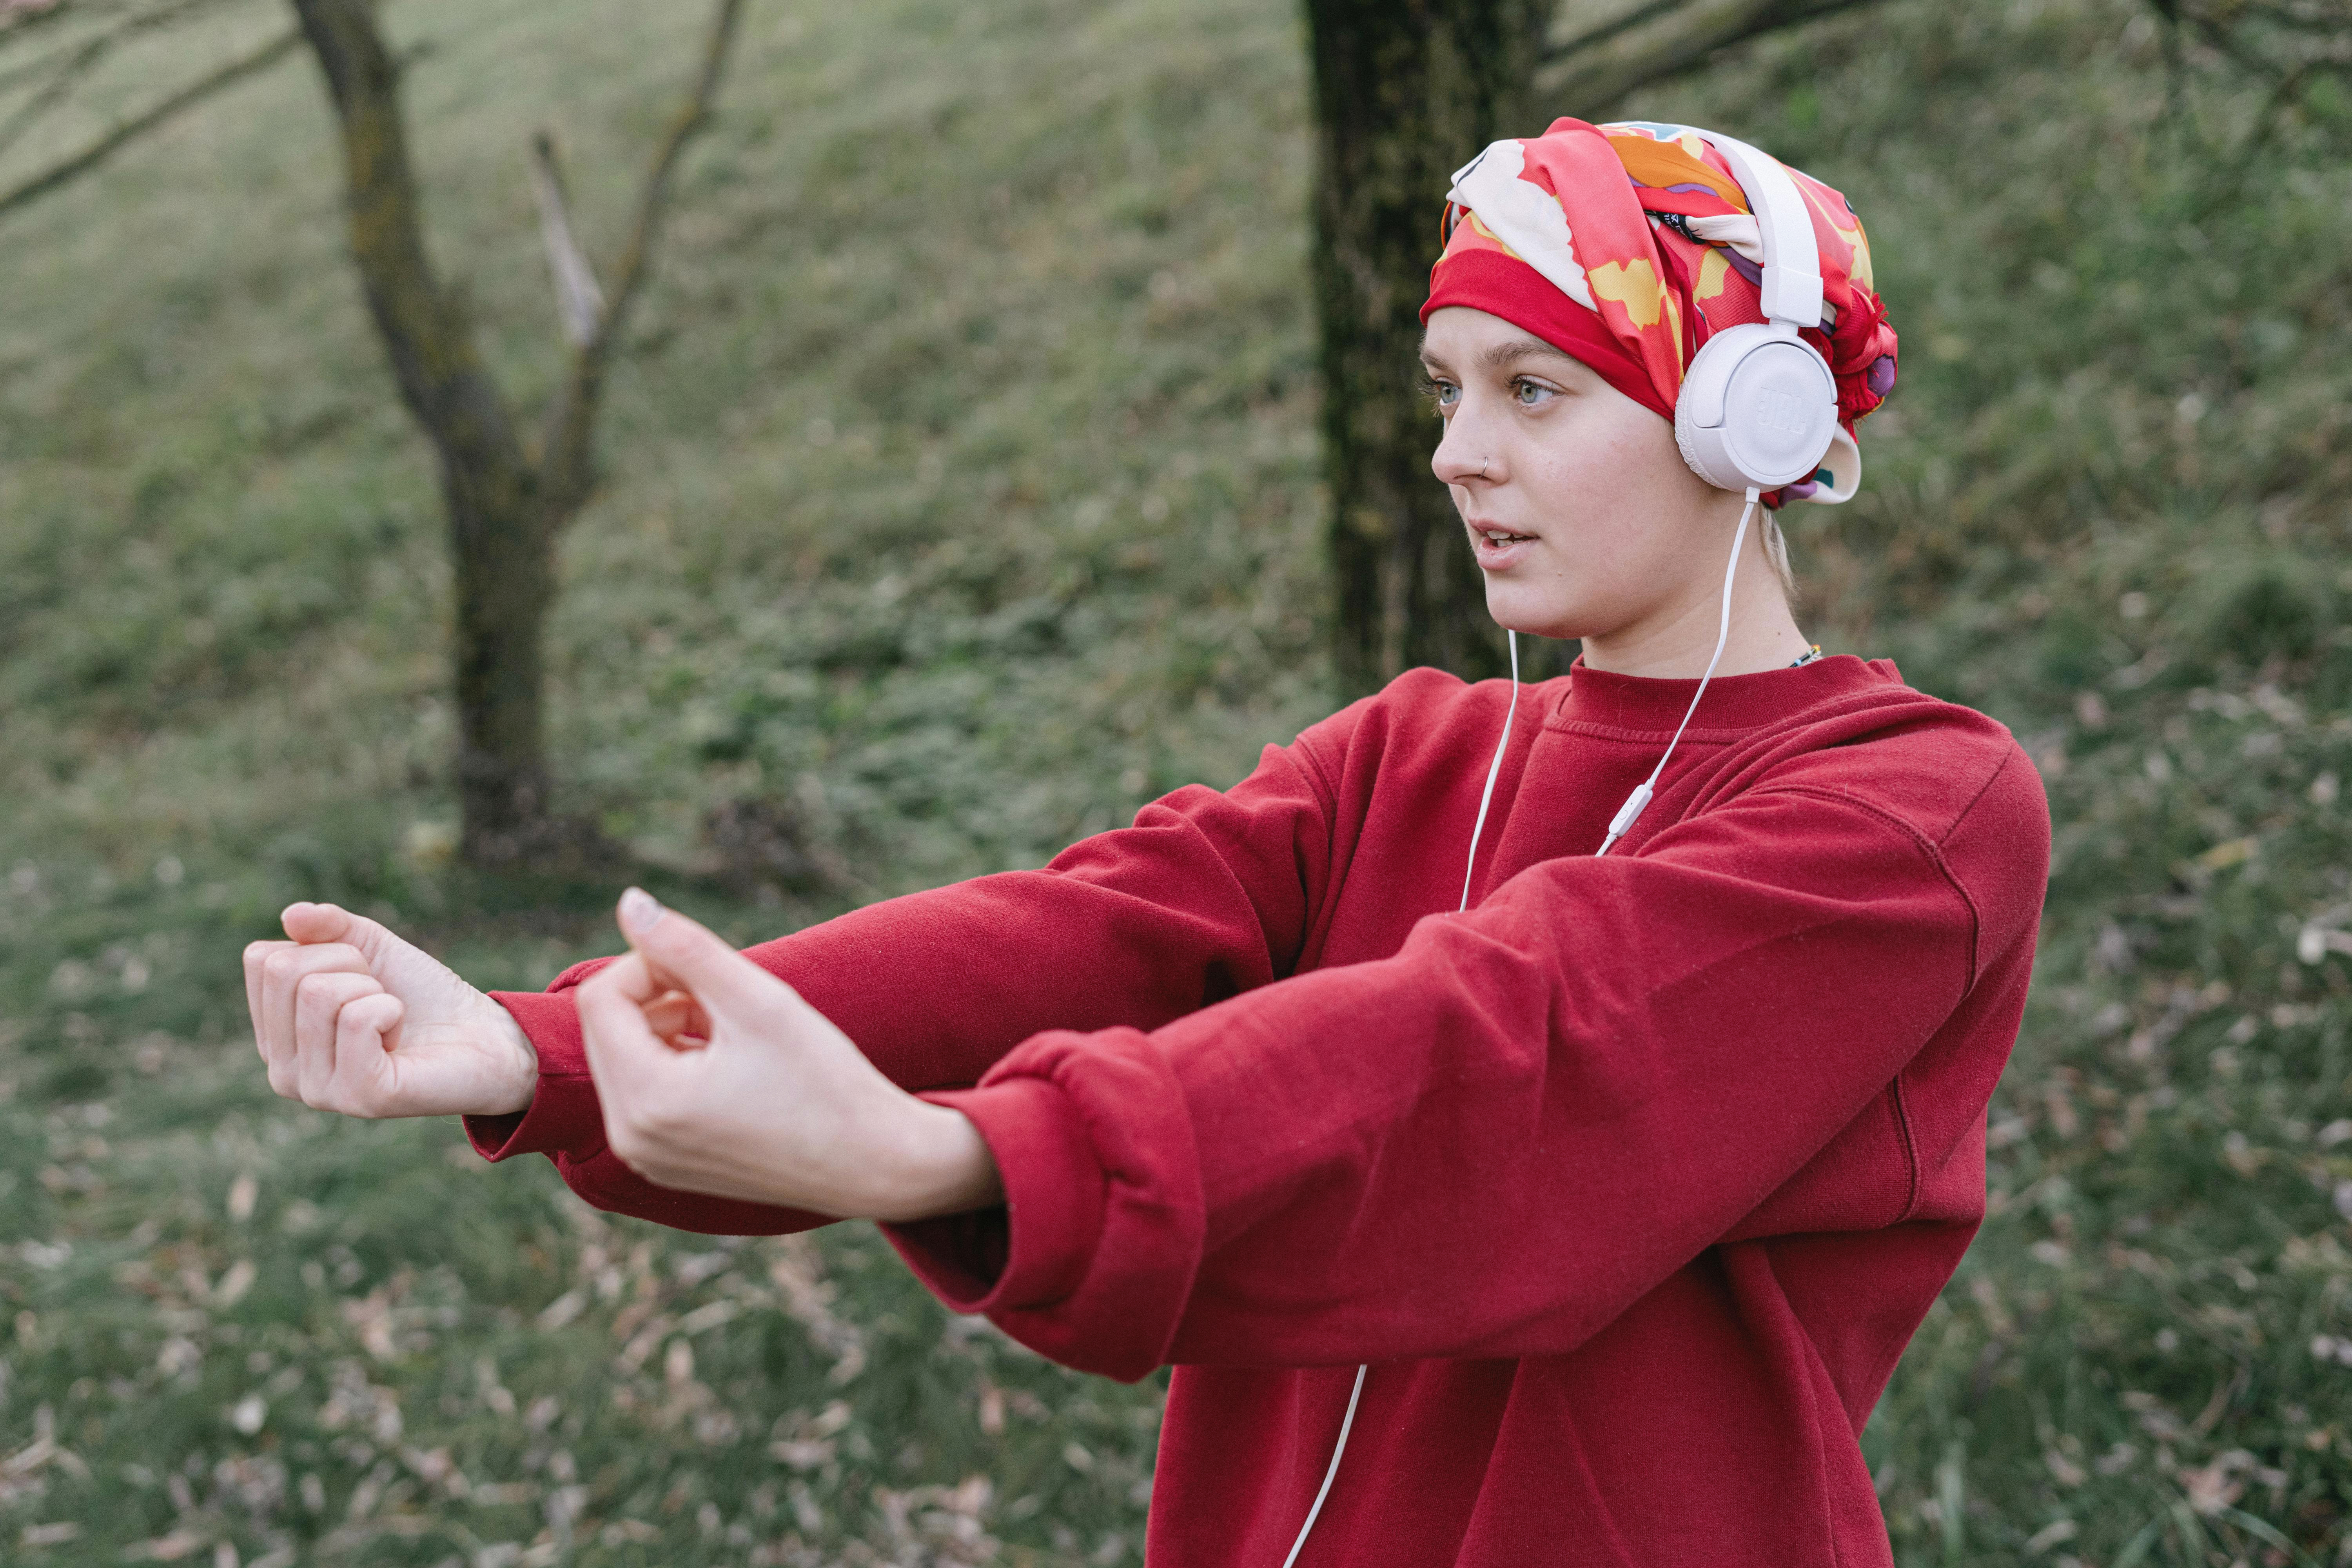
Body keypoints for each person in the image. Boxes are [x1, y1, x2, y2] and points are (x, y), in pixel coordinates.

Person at [245, 118, 2049, 1565]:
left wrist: (954, 1159)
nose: (1457, 455)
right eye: (1444, 390)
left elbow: (1514, 1056)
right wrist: (544, 1045)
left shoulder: (1911, 813)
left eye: (1534, 389)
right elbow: (1073, 932)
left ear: (1756, 421)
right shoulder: (1406, 758)